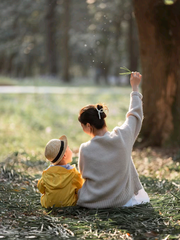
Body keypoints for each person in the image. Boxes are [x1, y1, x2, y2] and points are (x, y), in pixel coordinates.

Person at [77, 72, 150, 208]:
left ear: (88, 125)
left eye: (82, 126)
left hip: (93, 202)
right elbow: (134, 115)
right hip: (122, 201)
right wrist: (134, 88)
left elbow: (83, 175)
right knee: (126, 154)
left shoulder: (85, 149)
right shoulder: (122, 136)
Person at [37, 135, 84, 208]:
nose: (71, 151)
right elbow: (80, 187)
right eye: (69, 149)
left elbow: (41, 188)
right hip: (69, 205)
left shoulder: (46, 174)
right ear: (64, 156)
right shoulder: (72, 173)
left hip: (49, 205)